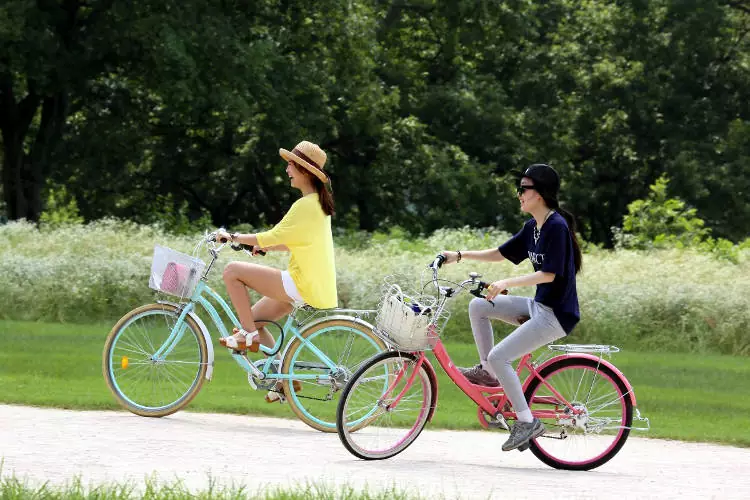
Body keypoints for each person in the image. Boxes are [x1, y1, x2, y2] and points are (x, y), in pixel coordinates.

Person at [440, 163, 582, 451]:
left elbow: (550, 274)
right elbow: (501, 253)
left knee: (500, 356)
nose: (518, 195)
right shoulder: (533, 227)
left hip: (556, 315)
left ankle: (527, 421)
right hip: (538, 306)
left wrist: (508, 282)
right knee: (479, 306)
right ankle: (488, 373)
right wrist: (459, 255)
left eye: (523, 189)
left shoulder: (556, 226)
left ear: (539, 194)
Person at [216, 140, 337, 401]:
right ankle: (284, 381)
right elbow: (288, 241)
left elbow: (269, 236)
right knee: (255, 321)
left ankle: (247, 337)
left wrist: (232, 236)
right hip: (308, 283)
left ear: (305, 171)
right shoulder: (316, 204)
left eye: (292, 165)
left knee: (231, 271)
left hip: (300, 282)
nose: (287, 170)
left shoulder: (305, 205)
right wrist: (263, 248)